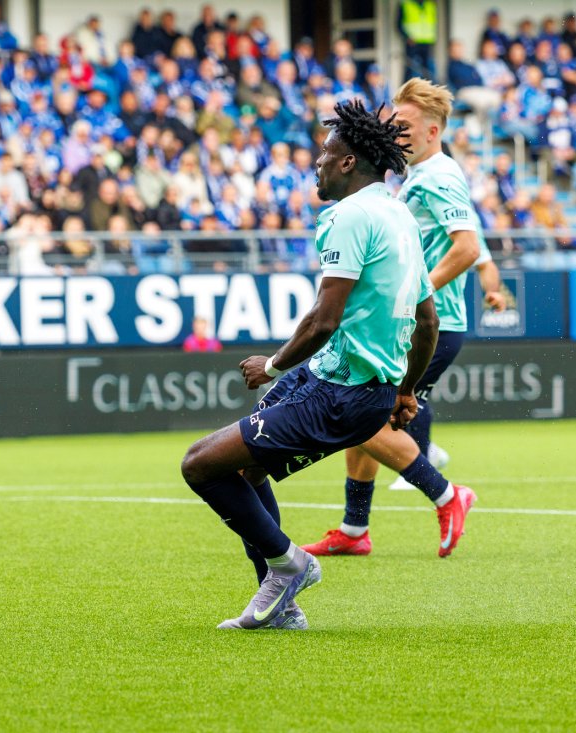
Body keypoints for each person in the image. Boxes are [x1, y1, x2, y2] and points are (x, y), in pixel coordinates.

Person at [180, 100, 438, 630]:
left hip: (340, 394)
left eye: (325, 154)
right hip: (351, 385)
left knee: (199, 464)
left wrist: (272, 366)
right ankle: (282, 606)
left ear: (348, 163)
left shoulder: (349, 216)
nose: (317, 163)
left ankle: (289, 564)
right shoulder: (397, 214)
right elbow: (427, 321)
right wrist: (407, 390)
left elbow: (324, 319)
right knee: (246, 469)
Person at [301, 79, 483, 558]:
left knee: (360, 420)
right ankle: (354, 529)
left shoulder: (439, 176)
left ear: (432, 130)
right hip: (415, 321)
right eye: (393, 125)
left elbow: (467, 247)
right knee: (363, 411)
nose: (396, 134)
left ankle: (447, 494)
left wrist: (412, 294)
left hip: (427, 322)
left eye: (404, 127)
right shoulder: (422, 176)